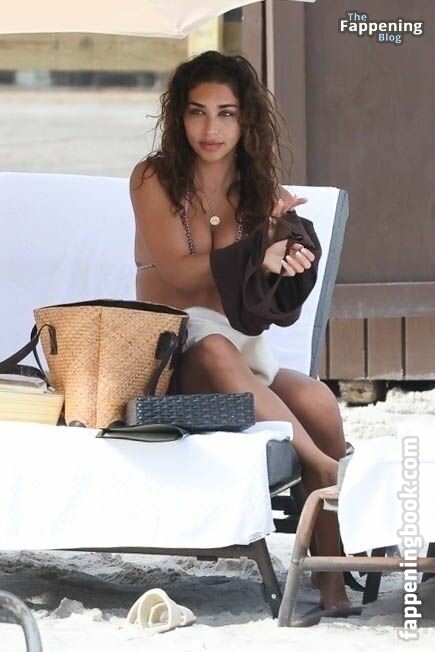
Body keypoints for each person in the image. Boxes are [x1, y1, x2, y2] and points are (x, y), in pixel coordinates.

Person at [130, 50, 350, 611]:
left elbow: (262, 300)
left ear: (245, 118)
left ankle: (330, 580)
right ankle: (321, 465)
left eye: (226, 113)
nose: (211, 128)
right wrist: (257, 253)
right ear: (179, 116)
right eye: (197, 111)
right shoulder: (154, 178)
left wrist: (283, 251)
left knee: (319, 401)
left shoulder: (258, 191)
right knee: (216, 349)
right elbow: (179, 273)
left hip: (240, 352)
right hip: (172, 356)